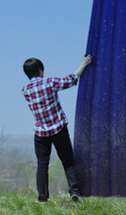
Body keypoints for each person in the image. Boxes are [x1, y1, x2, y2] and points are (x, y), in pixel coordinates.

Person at [21, 55, 92, 202]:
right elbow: (71, 79)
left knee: (42, 166)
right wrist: (84, 64)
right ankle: (74, 192)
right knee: (67, 161)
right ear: (40, 70)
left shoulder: (25, 90)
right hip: (58, 129)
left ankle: (42, 198)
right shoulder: (49, 82)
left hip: (40, 133)